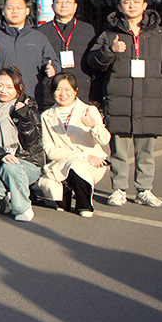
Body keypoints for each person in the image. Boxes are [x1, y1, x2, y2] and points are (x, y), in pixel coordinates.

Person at [86, 0, 162, 208]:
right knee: (119, 149)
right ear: (119, 7)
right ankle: (118, 189)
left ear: (145, 5)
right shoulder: (109, 34)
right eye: (127, 2)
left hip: (150, 99)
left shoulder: (160, 34)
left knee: (145, 150)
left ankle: (144, 190)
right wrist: (110, 50)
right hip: (119, 100)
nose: (132, 6)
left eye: (136, 2)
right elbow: (93, 63)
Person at [0, 67, 45, 222]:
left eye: (9, 87)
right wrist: (0, 155)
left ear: (19, 87)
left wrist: (25, 118)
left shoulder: (28, 105)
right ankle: (3, 198)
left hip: (27, 162)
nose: (4, 91)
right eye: (0, 85)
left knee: (11, 167)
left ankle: (23, 208)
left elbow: (34, 142)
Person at [41, 73, 109, 217]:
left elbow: (105, 140)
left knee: (77, 166)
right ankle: (65, 190)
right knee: (48, 183)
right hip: (62, 162)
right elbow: (49, 150)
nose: (63, 94)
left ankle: (84, 203)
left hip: (92, 163)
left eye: (67, 89)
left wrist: (93, 126)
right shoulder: (46, 115)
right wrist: (82, 156)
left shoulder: (89, 110)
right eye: (58, 89)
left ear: (75, 91)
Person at [0, 0, 59, 107]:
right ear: (3, 11)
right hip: (3, 100)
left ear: (27, 11)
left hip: (32, 98)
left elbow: (53, 62)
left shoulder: (39, 37)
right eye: (10, 8)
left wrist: (52, 68)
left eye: (19, 8)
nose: (15, 11)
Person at [38, 0, 98, 103]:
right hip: (51, 92)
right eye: (59, 2)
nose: (63, 5)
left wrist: (95, 95)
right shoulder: (42, 32)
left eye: (68, 2)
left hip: (81, 91)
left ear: (75, 6)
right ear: (52, 6)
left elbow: (94, 63)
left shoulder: (87, 30)